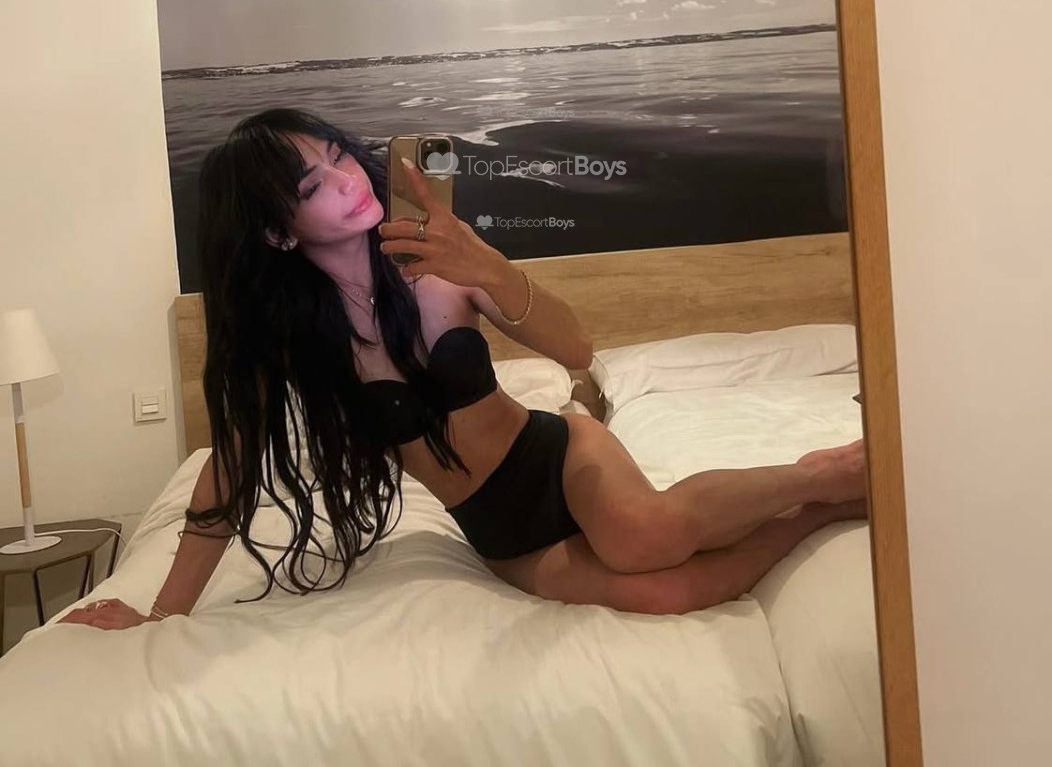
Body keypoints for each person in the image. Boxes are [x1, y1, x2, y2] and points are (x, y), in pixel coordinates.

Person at [60, 107, 867, 630]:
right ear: (277, 232)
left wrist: (488, 266)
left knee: (641, 535)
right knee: (661, 591)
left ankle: (827, 471)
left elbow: (576, 351)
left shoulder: (444, 263)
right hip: (496, 527)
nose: (348, 180)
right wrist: (162, 615)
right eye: (314, 183)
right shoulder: (292, 342)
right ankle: (813, 510)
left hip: (558, 456)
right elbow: (230, 471)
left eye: (341, 157)